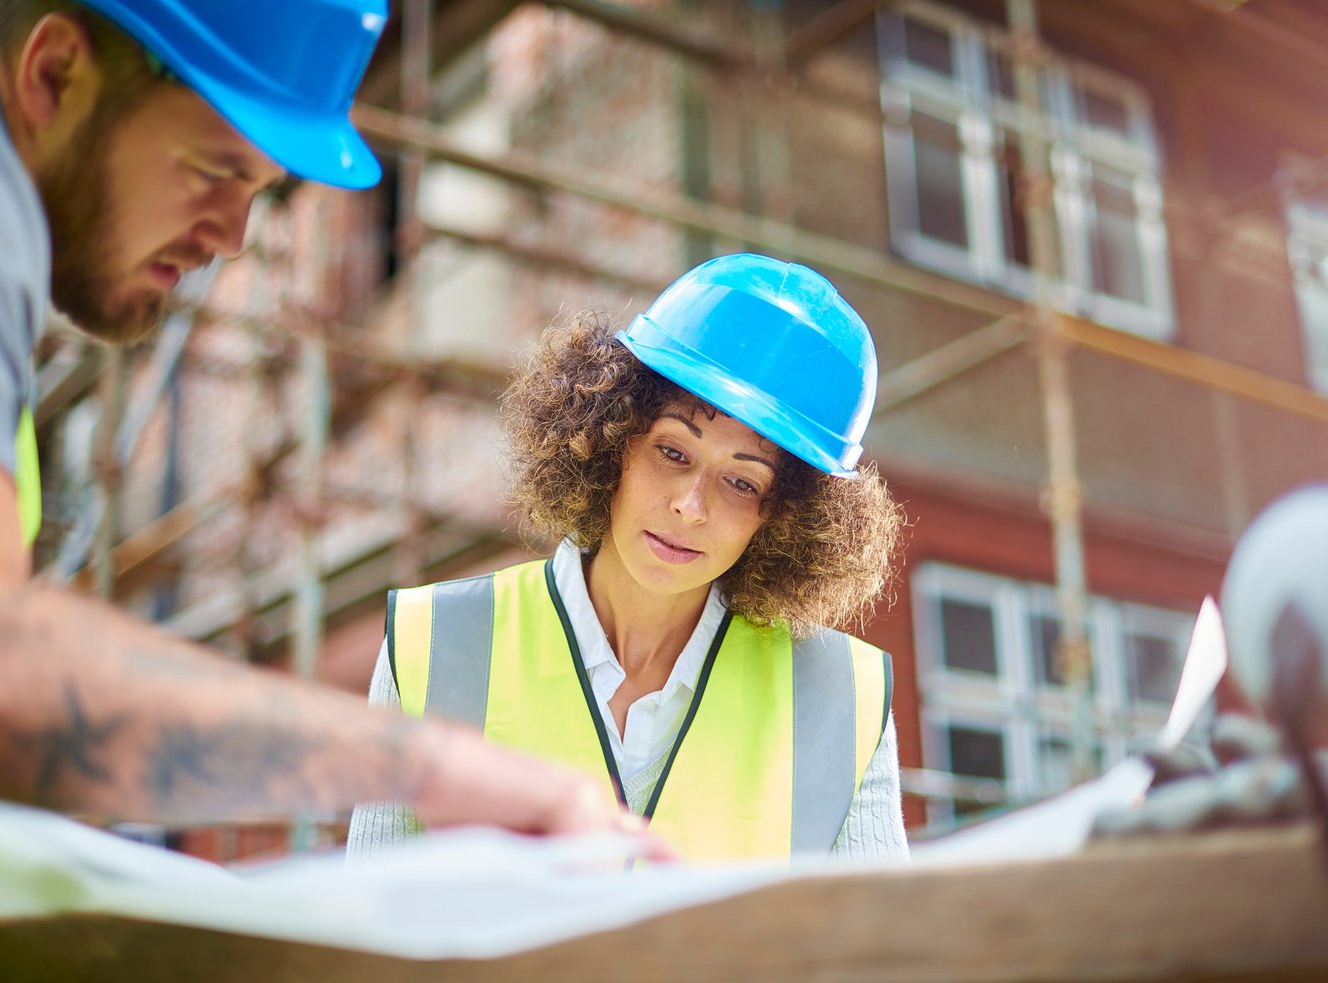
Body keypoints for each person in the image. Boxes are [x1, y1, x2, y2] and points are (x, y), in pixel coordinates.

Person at [0, 0, 655, 850]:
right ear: (54, 73)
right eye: (210, 170)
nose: (231, 239)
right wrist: (436, 766)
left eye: (260, 193)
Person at [349, 253, 909, 862]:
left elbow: (885, 956)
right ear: (614, 436)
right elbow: (369, 932)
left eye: (742, 483)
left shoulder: (841, 697)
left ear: (781, 516)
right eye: (673, 452)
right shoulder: (433, 643)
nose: (691, 507)